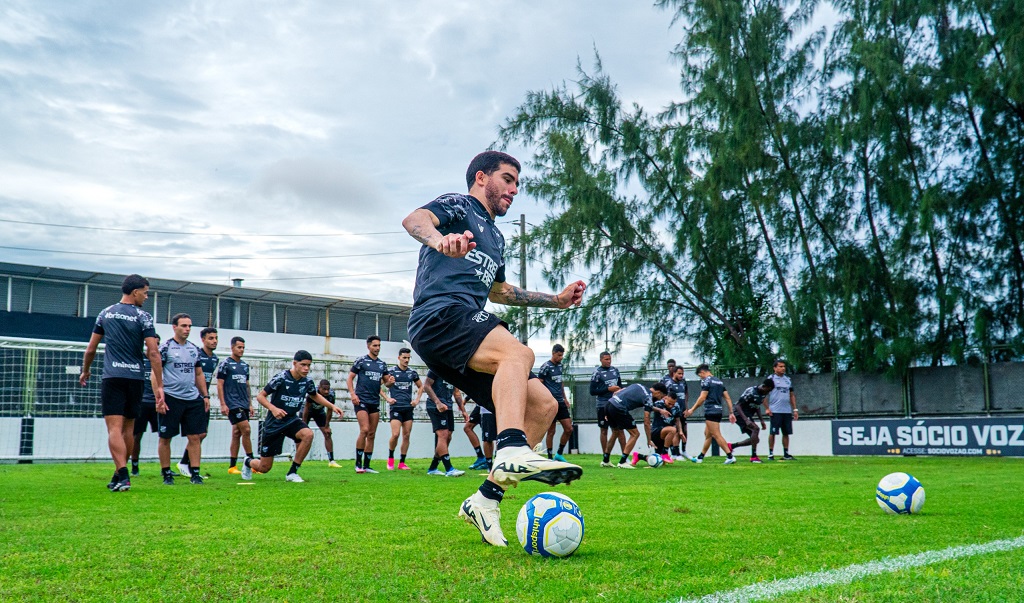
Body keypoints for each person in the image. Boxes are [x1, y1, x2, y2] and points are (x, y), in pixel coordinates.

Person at [401, 150, 585, 547]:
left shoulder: (496, 237)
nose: (514, 189)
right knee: (519, 354)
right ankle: (512, 447)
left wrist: (556, 300)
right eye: (507, 179)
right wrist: (440, 240)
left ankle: (486, 499)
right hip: (440, 314)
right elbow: (414, 220)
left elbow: (500, 292)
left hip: (457, 328)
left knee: (543, 405)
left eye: (517, 183)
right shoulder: (460, 205)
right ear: (482, 178)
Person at [80, 274, 162, 492]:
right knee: (129, 428)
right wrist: (160, 385)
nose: (146, 297)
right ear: (135, 292)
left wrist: (85, 371)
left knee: (114, 428)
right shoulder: (143, 316)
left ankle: (122, 474)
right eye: (145, 293)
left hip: (112, 377)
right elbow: (153, 352)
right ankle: (120, 474)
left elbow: (91, 349)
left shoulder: (105, 313)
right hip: (135, 377)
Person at [241, 350, 344, 483]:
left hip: (291, 419)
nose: (306, 368)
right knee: (264, 467)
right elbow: (261, 396)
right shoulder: (281, 378)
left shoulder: (307, 381)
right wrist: (273, 409)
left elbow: (314, 395)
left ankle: (292, 472)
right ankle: (248, 462)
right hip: (275, 422)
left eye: (309, 365)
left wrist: (332, 406)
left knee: (308, 434)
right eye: (303, 365)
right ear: (294, 363)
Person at [156, 313, 211, 485]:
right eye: (184, 326)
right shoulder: (165, 348)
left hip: (192, 398)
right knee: (166, 437)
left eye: (189, 326)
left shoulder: (194, 349)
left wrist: (205, 395)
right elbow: (155, 374)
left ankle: (195, 473)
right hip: (171, 397)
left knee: (195, 436)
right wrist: (160, 397)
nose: (187, 329)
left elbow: (199, 373)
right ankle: (166, 473)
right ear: (174, 327)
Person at [178, 326, 218, 478]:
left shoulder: (215, 358)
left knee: (202, 434)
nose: (214, 341)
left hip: (204, 400)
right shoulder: (196, 354)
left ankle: (185, 463)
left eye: (215, 338)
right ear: (203, 340)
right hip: (192, 399)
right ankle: (184, 464)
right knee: (196, 434)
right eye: (210, 338)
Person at [347, 335, 392, 474]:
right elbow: (350, 378)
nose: (377, 348)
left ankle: (367, 465)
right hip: (361, 400)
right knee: (364, 430)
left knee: (371, 434)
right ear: (368, 346)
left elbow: (387, 382)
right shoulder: (361, 361)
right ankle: (358, 464)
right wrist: (353, 394)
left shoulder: (382, 364)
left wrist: (391, 381)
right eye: (375, 345)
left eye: (379, 346)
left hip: (374, 401)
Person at [601, 382, 669, 468]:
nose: (659, 399)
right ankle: (622, 462)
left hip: (609, 404)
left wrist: (660, 410)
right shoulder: (648, 397)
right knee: (635, 434)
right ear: (658, 392)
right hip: (619, 408)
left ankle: (605, 460)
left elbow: (616, 392)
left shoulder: (639, 385)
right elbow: (647, 421)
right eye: (661, 397)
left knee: (615, 432)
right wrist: (649, 439)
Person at [684, 364, 736, 464]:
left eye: (700, 376)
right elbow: (727, 398)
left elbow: (702, 397)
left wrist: (692, 409)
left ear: (702, 372)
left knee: (716, 435)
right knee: (708, 434)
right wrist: (731, 412)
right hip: (718, 410)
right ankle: (700, 457)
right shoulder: (719, 382)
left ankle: (730, 456)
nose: (701, 378)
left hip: (710, 410)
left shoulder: (706, 381)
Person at [218, 336, 254, 475]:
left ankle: (232, 466)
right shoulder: (225, 364)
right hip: (232, 403)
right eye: (239, 347)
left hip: (244, 402)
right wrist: (223, 403)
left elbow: (246, 385)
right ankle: (251, 462)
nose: (242, 350)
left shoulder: (245, 366)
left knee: (237, 432)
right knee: (246, 429)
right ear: (232, 347)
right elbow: (220, 384)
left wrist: (250, 403)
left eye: (243, 347)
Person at [421, 370, 466, 477]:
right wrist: (438, 403)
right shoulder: (436, 368)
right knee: (443, 435)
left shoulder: (454, 371)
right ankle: (449, 469)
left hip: (448, 406)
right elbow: (426, 386)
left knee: (448, 437)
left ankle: (433, 467)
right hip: (436, 406)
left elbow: (456, 393)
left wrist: (463, 410)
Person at [131, 334, 162, 476]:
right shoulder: (138, 359)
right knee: (136, 436)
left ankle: (165, 469)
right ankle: (134, 466)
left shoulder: (161, 361)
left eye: (157, 344)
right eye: (152, 343)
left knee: (164, 436)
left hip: (158, 403)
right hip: (142, 403)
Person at [386, 347, 421, 470]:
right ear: (399, 358)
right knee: (395, 434)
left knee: (406, 435)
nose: (406, 360)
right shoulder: (391, 372)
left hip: (408, 408)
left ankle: (402, 462)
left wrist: (416, 400)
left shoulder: (412, 373)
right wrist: (387, 398)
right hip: (396, 407)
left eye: (408, 358)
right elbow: (380, 385)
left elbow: (421, 387)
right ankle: (390, 458)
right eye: (404, 358)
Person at [540, 344, 573, 462]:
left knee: (569, 429)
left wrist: (565, 398)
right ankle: (549, 457)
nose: (560, 358)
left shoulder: (560, 366)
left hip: (560, 402)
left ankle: (559, 454)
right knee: (551, 430)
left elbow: (560, 383)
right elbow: (540, 384)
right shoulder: (545, 367)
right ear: (553, 353)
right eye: (559, 355)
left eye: (562, 356)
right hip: (550, 403)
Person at [590, 351, 624, 467]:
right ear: (601, 360)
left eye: (609, 359)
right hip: (603, 405)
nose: (608, 361)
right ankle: (606, 458)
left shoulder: (615, 370)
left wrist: (620, 391)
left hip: (616, 404)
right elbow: (592, 391)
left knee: (620, 429)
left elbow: (620, 386)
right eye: (606, 359)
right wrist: (608, 389)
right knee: (604, 430)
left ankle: (624, 457)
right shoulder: (597, 373)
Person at [731, 379, 773, 463]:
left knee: (755, 439)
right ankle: (754, 457)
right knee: (755, 429)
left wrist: (762, 420)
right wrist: (746, 420)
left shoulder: (763, 395)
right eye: (768, 390)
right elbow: (738, 406)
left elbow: (757, 407)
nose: (768, 393)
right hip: (739, 413)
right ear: (764, 386)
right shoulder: (751, 391)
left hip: (748, 414)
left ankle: (731, 446)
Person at [303, 379, 341, 467]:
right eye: (324, 389)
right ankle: (298, 459)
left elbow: (330, 410)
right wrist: (304, 424)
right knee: (302, 434)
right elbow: (306, 409)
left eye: (328, 389)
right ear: (319, 388)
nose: (326, 391)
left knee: (327, 434)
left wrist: (327, 426)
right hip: (307, 412)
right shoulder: (312, 393)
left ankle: (331, 461)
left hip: (319, 412)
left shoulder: (331, 395)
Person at [766, 359, 798, 460]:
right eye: (780, 366)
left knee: (786, 432)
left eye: (784, 366)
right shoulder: (771, 379)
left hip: (786, 410)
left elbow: (792, 395)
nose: (783, 368)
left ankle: (786, 453)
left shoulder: (788, 379)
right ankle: (771, 453)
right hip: (775, 410)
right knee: (773, 432)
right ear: (775, 368)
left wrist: (795, 409)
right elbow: (764, 394)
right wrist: (767, 408)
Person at [642, 390, 684, 465]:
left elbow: (677, 420)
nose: (671, 406)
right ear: (665, 398)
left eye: (673, 404)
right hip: (656, 431)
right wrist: (660, 410)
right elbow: (649, 407)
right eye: (669, 403)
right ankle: (665, 453)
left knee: (659, 461)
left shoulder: (676, 406)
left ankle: (638, 456)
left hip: (665, 435)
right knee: (672, 430)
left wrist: (680, 432)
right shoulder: (658, 404)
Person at [463, 399, 495, 470]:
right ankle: (481, 457)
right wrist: (465, 399)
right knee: (467, 428)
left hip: (488, 405)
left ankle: (490, 464)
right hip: (480, 404)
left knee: (488, 437)